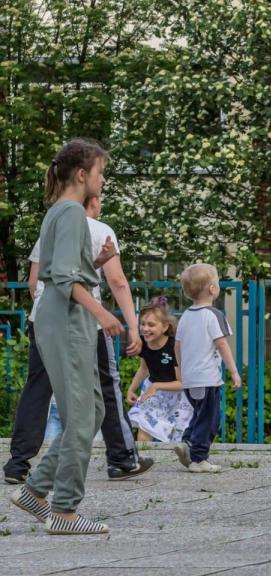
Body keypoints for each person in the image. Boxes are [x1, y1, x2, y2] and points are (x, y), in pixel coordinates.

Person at [8, 138, 125, 535]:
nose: (103, 180)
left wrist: (97, 262)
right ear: (81, 174)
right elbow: (59, 277)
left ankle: (35, 490)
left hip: (62, 319)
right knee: (78, 418)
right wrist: (102, 312)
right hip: (66, 321)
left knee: (93, 410)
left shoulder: (60, 211)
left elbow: (65, 268)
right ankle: (64, 510)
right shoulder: (72, 212)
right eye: (100, 173)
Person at [4, 193, 152, 483]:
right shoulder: (100, 230)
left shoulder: (51, 228)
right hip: (85, 321)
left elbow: (34, 283)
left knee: (38, 387)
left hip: (43, 318)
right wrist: (132, 326)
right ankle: (122, 458)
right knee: (106, 386)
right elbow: (117, 281)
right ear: (92, 201)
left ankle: (18, 463)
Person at [173, 263, 242, 474]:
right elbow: (222, 345)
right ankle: (199, 458)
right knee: (210, 419)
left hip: (190, 379)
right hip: (207, 378)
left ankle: (187, 442)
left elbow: (177, 346)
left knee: (200, 415)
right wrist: (234, 371)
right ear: (213, 289)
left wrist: (181, 371)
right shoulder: (213, 314)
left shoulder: (186, 315)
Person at [127, 297, 193, 443]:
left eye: (151, 324)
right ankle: (143, 455)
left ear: (164, 327)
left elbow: (181, 383)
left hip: (177, 398)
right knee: (144, 423)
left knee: (177, 439)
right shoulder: (144, 344)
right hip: (153, 394)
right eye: (142, 324)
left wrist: (156, 386)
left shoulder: (173, 347)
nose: (145, 329)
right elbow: (144, 368)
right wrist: (131, 389)